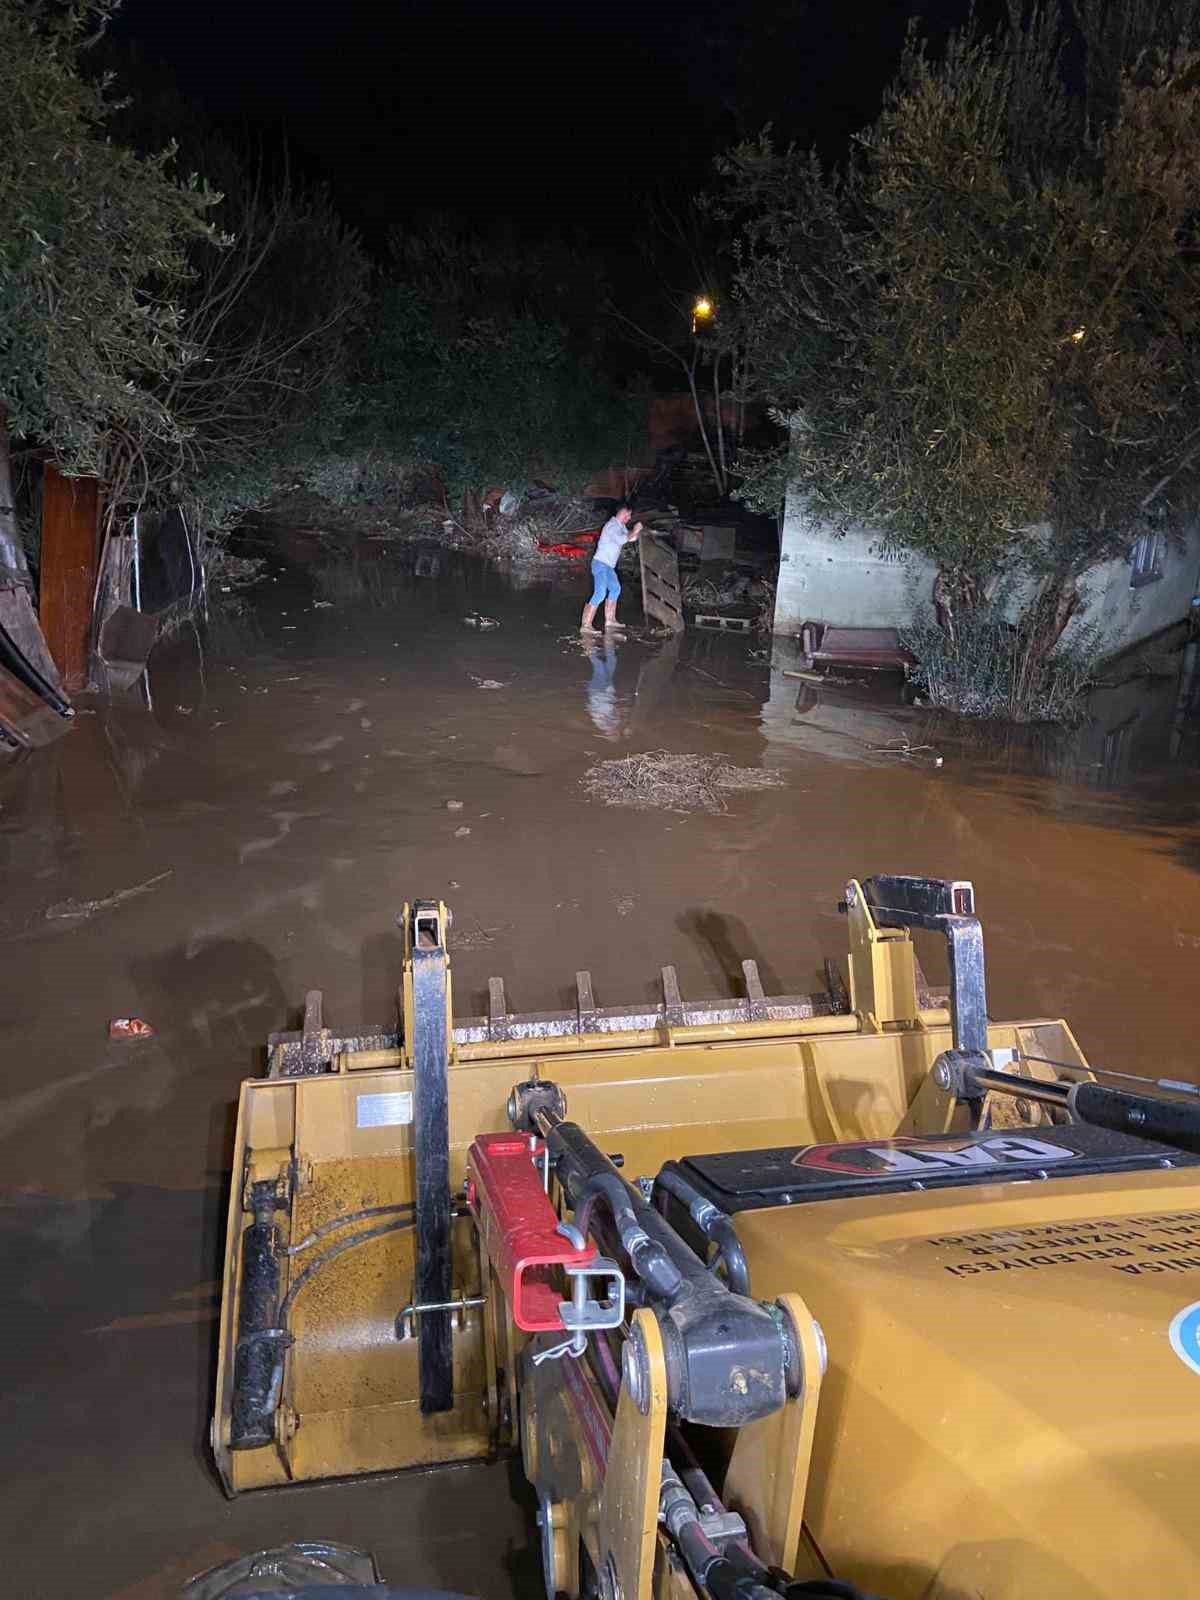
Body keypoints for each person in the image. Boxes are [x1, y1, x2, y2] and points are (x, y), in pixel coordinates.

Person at [581, 503, 643, 634]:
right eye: (628, 515)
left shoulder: (621, 526)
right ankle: (585, 625)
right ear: (622, 512)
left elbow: (631, 538)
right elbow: (622, 540)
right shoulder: (612, 526)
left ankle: (610, 620)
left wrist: (637, 532)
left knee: (615, 588)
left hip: (608, 566)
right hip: (600, 563)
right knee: (600, 593)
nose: (629, 518)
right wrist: (635, 530)